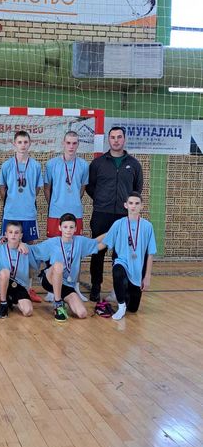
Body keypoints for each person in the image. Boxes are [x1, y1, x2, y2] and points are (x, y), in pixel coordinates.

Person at [86, 126, 143, 315]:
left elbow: (137, 189)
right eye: (112, 137)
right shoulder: (98, 163)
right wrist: (102, 200)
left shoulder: (134, 164)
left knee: (120, 255)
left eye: (119, 137)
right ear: (108, 140)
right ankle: (95, 286)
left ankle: (119, 289)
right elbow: (90, 187)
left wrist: (125, 206)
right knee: (97, 251)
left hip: (123, 216)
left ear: (124, 139)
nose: (116, 140)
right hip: (101, 213)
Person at [31, 213, 106, 322]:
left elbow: (96, 243)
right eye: (65, 227)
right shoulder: (52, 242)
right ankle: (58, 304)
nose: (68, 230)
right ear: (60, 228)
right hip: (49, 280)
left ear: (75, 228)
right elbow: (33, 250)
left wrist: (113, 232)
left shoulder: (79, 241)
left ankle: (62, 300)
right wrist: (20, 244)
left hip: (67, 284)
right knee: (58, 265)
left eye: (71, 227)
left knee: (82, 313)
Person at [44, 130, 89, 302]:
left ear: (78, 144)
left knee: (75, 252)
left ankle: (74, 286)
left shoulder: (83, 165)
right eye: (68, 142)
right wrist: (54, 204)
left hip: (75, 213)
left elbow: (82, 188)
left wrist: (73, 201)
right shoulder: (51, 164)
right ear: (63, 143)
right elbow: (47, 187)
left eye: (74, 143)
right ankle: (51, 288)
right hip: (55, 213)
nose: (71, 146)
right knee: (54, 250)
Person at [0, 130, 43, 302]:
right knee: (7, 248)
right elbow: (2, 188)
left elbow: (37, 188)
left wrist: (27, 200)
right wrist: (12, 202)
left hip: (29, 214)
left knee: (28, 250)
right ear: (14, 144)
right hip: (11, 213)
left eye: (25, 142)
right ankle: (8, 286)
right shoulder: (6, 165)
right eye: (20, 142)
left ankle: (28, 287)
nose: (23, 145)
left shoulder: (36, 166)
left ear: (30, 144)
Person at [103, 192, 156, 321]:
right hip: (122, 262)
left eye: (137, 203)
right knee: (117, 271)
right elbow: (104, 243)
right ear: (125, 205)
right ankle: (121, 306)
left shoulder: (148, 226)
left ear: (142, 206)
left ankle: (118, 294)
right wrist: (85, 247)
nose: (133, 206)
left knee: (133, 309)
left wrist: (147, 277)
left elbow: (150, 254)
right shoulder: (118, 224)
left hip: (138, 269)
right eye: (131, 203)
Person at [0, 221, 36, 319]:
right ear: (6, 234)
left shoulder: (26, 248)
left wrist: (22, 243)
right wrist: (0, 238)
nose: (13, 235)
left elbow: (41, 251)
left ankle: (10, 298)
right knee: (5, 272)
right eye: (10, 232)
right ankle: (3, 303)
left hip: (18, 284)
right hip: (1, 279)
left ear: (21, 235)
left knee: (28, 311)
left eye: (16, 232)